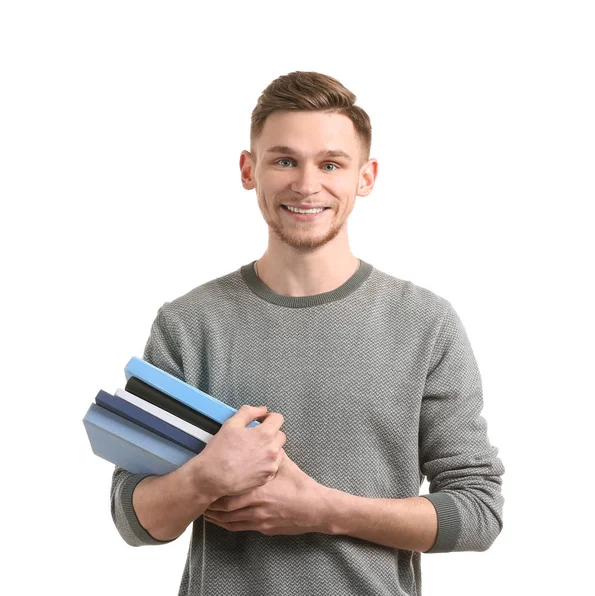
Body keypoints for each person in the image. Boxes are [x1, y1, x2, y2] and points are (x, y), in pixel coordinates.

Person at [110, 70, 504, 596]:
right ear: (249, 170)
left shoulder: (425, 324)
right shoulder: (188, 323)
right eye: (284, 160)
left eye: (331, 164)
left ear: (366, 177)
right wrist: (206, 477)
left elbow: (478, 513)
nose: (306, 184)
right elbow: (133, 518)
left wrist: (323, 510)